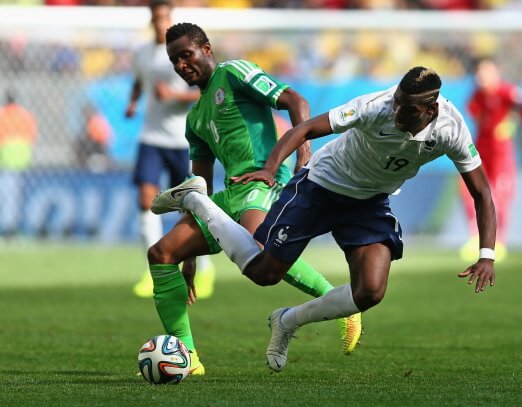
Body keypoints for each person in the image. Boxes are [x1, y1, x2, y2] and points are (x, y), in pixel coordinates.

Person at [152, 66, 497, 372]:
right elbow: (303, 129)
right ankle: (197, 200)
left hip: (369, 203)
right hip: (320, 187)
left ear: (430, 109)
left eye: (405, 109)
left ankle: (287, 321)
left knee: (371, 291)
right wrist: (270, 170)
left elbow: (481, 192)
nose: (395, 112)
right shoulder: (374, 106)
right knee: (264, 273)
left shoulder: (452, 130)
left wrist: (486, 254)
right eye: (395, 101)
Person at [146, 22, 362, 376]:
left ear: (207, 48)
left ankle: (342, 304)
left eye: (186, 55)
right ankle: (188, 358)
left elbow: (296, 100)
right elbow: (197, 184)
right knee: (162, 253)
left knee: (261, 253)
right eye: (174, 60)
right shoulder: (195, 118)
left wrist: (303, 156)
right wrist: (190, 259)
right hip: (229, 193)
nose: (182, 65)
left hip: (264, 179)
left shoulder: (234, 73)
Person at [125, 0, 216, 299]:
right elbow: (140, 81)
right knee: (145, 198)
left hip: (183, 140)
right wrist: (134, 101)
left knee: (195, 204)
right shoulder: (142, 53)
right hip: (151, 137)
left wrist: (172, 94)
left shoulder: (179, 53)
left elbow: (202, 92)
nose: (159, 23)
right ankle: (152, 270)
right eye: (155, 18)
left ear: (170, 17)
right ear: (150, 18)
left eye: (164, 17)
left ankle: (203, 269)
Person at [459, 58, 522, 262]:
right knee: (468, 190)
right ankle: (475, 237)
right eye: (479, 71)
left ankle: (499, 241)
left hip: (501, 154)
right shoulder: (477, 96)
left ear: (497, 72)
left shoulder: (507, 92)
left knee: (502, 197)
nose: (481, 76)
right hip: (481, 152)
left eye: (486, 71)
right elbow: (474, 112)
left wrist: (513, 121)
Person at [0, 90, 37, 237]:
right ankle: (11, 225)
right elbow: (32, 136)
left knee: (8, 194)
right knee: (14, 195)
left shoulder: (2, 115)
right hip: (22, 158)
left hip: (6, 158)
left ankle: (8, 227)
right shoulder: (26, 115)